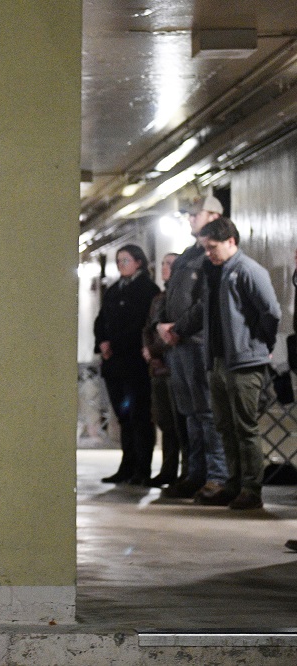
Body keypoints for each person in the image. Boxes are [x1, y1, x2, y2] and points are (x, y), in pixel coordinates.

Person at [170, 218, 281, 510]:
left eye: (213, 247)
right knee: (224, 426)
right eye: (205, 247)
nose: (208, 253)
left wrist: (261, 346)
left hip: (244, 361)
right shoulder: (215, 273)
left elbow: (270, 312)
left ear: (231, 241)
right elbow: (204, 311)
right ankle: (233, 485)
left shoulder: (248, 271)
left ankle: (251, 489)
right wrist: (178, 328)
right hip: (218, 361)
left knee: (245, 427)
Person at [156, 195, 229, 501]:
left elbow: (205, 303)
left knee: (207, 412)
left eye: (194, 215)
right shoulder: (187, 255)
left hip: (196, 343)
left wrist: (179, 328)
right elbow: (169, 292)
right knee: (189, 412)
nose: (189, 219)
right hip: (178, 345)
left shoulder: (212, 258)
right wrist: (162, 324)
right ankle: (194, 473)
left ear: (213, 215)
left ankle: (217, 476)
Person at [94, 244, 160, 485]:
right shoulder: (113, 291)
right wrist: (102, 342)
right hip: (114, 364)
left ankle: (142, 468)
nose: (121, 265)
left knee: (139, 416)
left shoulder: (147, 290)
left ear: (138, 262)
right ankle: (127, 465)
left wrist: (117, 343)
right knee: (123, 417)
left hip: (134, 363)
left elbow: (142, 324)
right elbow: (100, 320)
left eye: (126, 260)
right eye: (118, 261)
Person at [142, 253, 188, 487]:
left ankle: (188, 472)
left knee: (182, 424)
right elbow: (149, 327)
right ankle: (168, 469)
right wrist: (147, 350)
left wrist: (155, 349)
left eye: (169, 264)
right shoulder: (159, 298)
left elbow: (171, 332)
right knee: (165, 423)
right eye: (162, 263)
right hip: (158, 370)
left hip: (175, 368)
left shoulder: (180, 297)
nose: (164, 267)